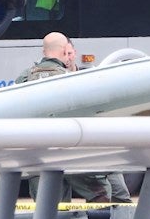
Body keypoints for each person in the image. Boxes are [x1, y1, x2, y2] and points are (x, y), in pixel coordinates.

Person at [15, 32, 130, 204]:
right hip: (72, 151)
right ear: (63, 51)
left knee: (50, 210)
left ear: (43, 51)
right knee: (104, 196)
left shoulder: (24, 78)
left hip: (38, 154)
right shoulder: (74, 80)